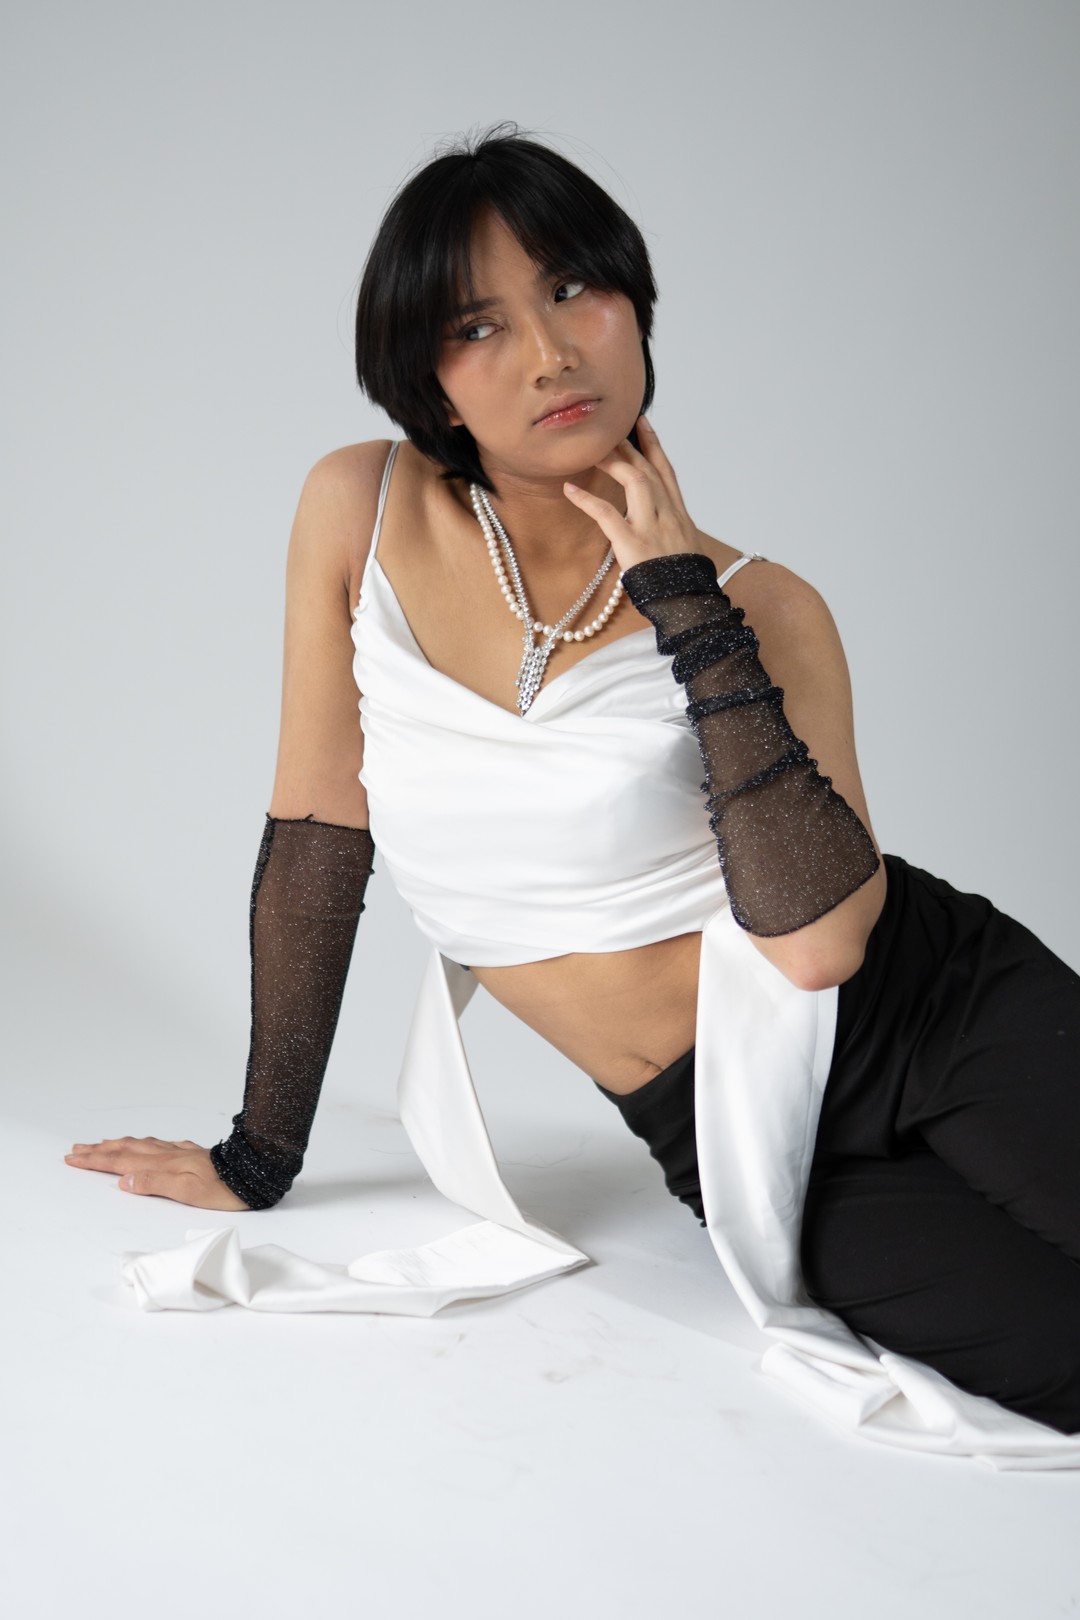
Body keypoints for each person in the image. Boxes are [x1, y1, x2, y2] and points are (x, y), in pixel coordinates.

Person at [65, 127, 1080, 1450]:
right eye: (479, 325)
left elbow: (822, 945)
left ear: (634, 308)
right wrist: (260, 1154)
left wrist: (682, 599)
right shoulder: (358, 507)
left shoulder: (766, 606)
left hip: (939, 1006)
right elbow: (320, 830)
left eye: (572, 289)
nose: (550, 354)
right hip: (732, 1129)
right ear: (430, 381)